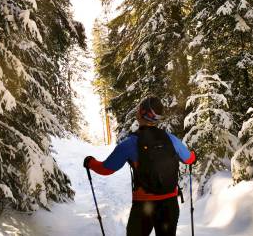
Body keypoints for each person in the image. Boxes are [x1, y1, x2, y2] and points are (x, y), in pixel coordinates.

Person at [83, 96, 196, 236]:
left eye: (139, 108)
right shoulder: (171, 139)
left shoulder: (130, 143)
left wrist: (90, 162)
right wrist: (193, 154)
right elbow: (189, 159)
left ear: (141, 113)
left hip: (144, 206)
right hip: (169, 204)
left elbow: (106, 169)